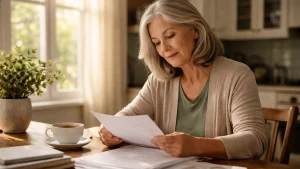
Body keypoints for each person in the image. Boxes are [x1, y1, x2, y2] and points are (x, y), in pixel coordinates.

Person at [99, 0, 268, 159]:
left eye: (170, 35)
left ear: (195, 29)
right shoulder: (159, 81)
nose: (164, 48)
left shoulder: (237, 75)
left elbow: (255, 141)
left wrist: (197, 145)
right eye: (156, 43)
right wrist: (110, 129)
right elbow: (128, 115)